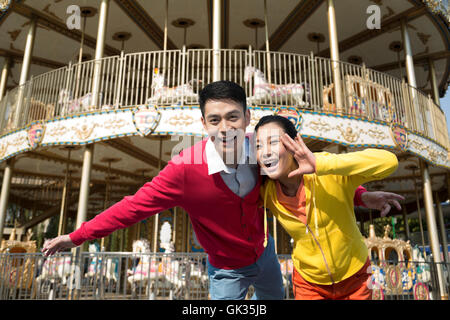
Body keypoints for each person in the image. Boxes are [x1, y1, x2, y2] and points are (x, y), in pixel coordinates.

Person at [42, 81, 403, 300]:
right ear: (203, 124)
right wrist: (77, 236)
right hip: (226, 270)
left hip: (265, 257)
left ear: (247, 118)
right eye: (214, 120)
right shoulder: (184, 170)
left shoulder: (261, 149)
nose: (225, 127)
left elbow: (309, 178)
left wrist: (358, 195)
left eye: (234, 117)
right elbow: (133, 207)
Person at [254, 115, 401, 300]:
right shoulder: (266, 192)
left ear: (295, 143)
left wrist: (320, 164)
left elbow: (389, 162)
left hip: (358, 276)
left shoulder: (325, 168)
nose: (265, 152)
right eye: (258, 146)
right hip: (308, 283)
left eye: (273, 142)